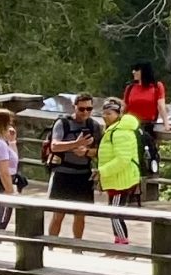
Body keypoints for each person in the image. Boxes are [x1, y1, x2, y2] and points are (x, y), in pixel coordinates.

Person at [43, 94, 101, 241]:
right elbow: (54, 146)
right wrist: (76, 144)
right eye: (82, 109)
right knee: (58, 214)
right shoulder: (63, 123)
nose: (85, 112)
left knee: (80, 215)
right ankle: (51, 245)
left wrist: (87, 152)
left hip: (83, 174)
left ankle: (77, 247)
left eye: (89, 109)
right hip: (63, 173)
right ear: (74, 107)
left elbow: (100, 151)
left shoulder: (93, 126)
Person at [96, 97, 146, 247]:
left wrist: (102, 171)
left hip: (121, 180)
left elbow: (123, 159)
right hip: (116, 178)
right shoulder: (114, 130)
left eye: (109, 113)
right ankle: (118, 239)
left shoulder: (120, 132)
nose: (105, 116)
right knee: (115, 211)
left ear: (118, 114)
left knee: (114, 212)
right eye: (104, 113)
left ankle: (122, 241)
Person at [121, 61, 165, 193]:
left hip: (147, 125)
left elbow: (161, 105)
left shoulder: (157, 87)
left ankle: (142, 189)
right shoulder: (130, 88)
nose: (133, 73)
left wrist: (166, 123)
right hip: (129, 126)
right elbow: (125, 107)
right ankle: (129, 188)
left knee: (146, 156)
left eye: (136, 70)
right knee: (129, 157)